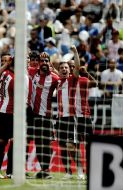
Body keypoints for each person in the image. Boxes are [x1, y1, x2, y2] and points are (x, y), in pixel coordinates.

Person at [28, 52, 59, 178]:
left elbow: (65, 80)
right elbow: (20, 65)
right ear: (39, 63)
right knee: (34, 143)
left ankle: (46, 170)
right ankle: (41, 170)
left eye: (47, 61)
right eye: (42, 61)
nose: (44, 63)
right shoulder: (32, 72)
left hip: (45, 116)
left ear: (49, 64)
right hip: (31, 115)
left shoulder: (54, 78)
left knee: (45, 143)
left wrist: (55, 69)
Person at [57, 45, 80, 180]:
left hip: (71, 117)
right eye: (62, 68)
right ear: (59, 71)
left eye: (66, 67)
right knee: (62, 146)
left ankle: (81, 171)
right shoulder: (58, 82)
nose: (64, 69)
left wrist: (75, 52)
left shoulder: (72, 79)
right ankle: (68, 172)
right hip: (60, 118)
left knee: (71, 146)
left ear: (69, 70)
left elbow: (77, 67)